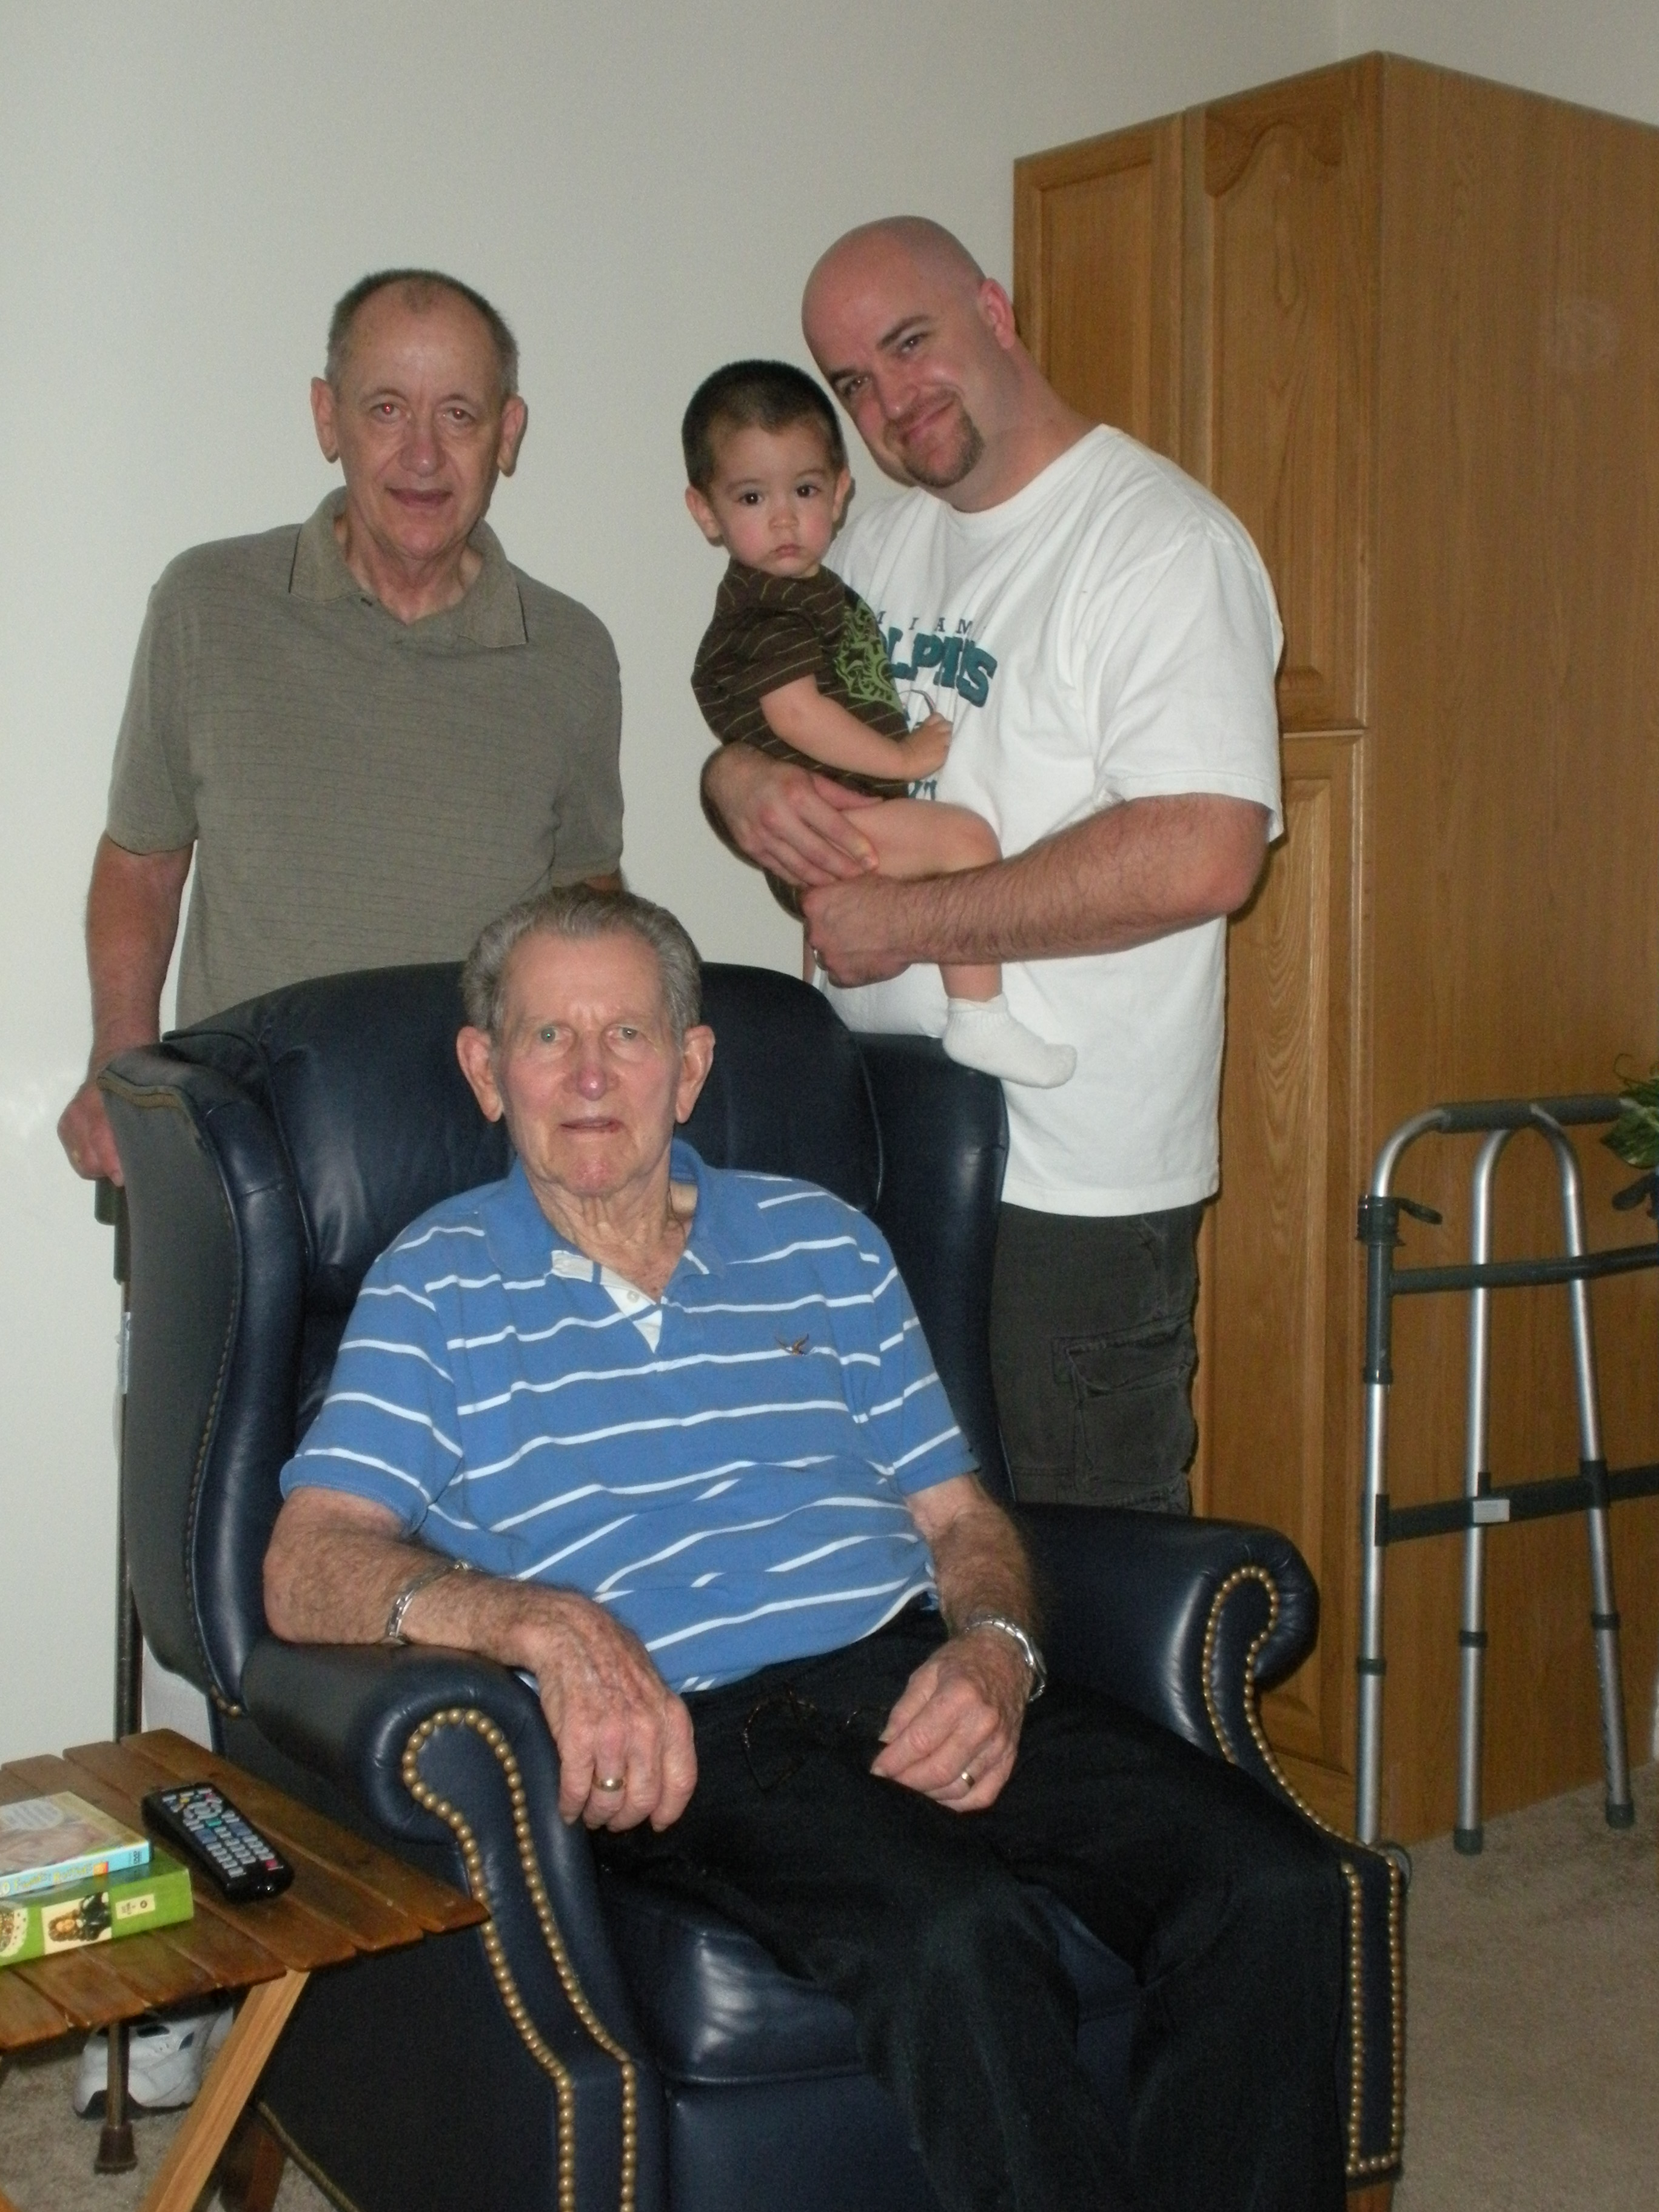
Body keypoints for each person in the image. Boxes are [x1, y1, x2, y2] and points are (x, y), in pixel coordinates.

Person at [263, 884, 1346, 2212]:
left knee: (1275, 1882)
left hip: (903, 1662)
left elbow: (961, 1518)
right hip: (690, 1722)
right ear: (488, 1072)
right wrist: (539, 1623)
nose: (591, 1076)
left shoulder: (824, 1240)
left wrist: (996, 1651)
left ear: (690, 1067)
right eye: (550, 1037)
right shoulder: (432, 1284)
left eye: (627, 1036)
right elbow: (307, 1561)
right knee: (959, 1935)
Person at [702, 220, 1283, 1517]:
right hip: (879, 1141)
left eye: (910, 344)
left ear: (995, 312)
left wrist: (912, 924)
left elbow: (1204, 851)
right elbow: (787, 752)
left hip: (1068, 1183)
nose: (890, 400)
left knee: (1080, 1567)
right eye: (852, 382)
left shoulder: (1159, 545)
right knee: (909, 1554)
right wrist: (735, 785)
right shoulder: (868, 551)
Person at [57, 266, 624, 1187]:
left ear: (508, 433)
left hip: (485, 1171)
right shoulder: (207, 604)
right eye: (387, 410)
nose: (423, 456)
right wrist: (122, 1074)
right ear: (329, 419)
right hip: (247, 1160)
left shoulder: (571, 652)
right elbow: (142, 863)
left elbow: (589, 899)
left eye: (459, 415)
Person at [683, 358, 1073, 1088]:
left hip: (831, 823)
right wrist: (905, 760)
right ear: (705, 512)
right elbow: (796, 714)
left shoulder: (819, 585)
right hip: (830, 821)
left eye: (804, 491)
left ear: (840, 491)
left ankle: (817, 1029)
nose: (783, 518)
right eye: (751, 497)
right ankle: (980, 1017)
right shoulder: (768, 608)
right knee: (965, 841)